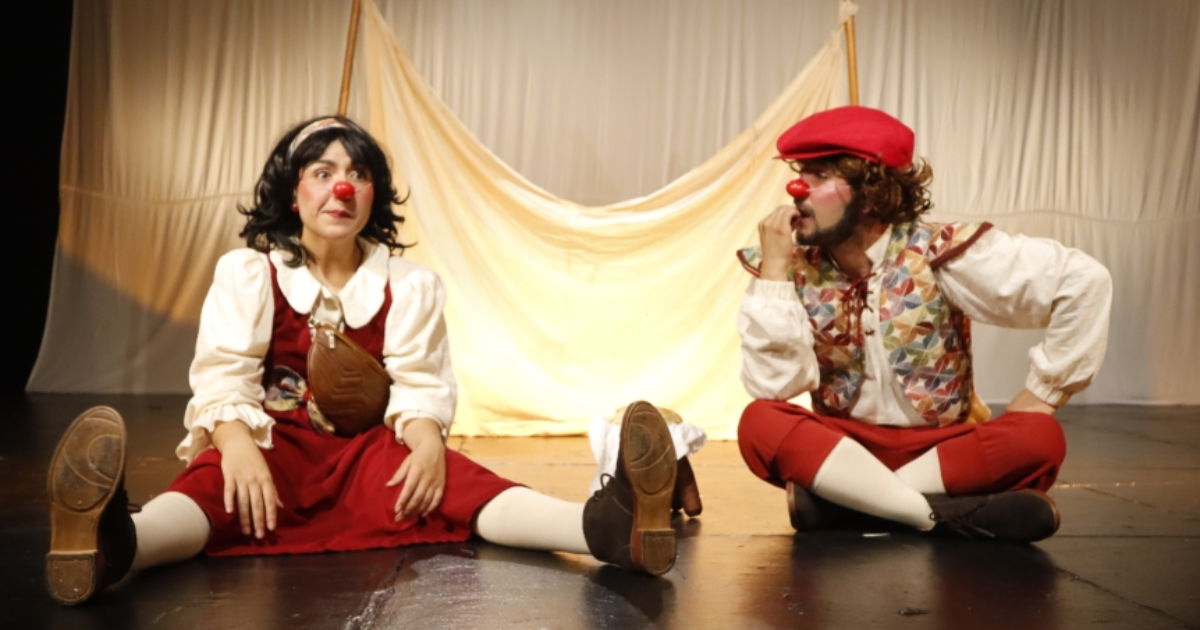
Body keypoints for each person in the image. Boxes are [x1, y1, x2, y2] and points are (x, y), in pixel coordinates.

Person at [45, 116, 679, 606]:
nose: (340, 187)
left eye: (356, 174)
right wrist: (235, 444)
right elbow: (223, 376)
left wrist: (426, 443)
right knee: (213, 489)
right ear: (294, 194)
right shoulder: (250, 274)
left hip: (366, 455)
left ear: (373, 194)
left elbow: (419, 383)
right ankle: (113, 544)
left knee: (460, 483)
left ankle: (606, 528)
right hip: (273, 449)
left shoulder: (408, 285)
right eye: (321, 172)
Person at [735, 105, 1112, 541]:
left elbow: (1084, 280)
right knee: (760, 422)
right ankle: (935, 515)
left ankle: (854, 505)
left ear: (871, 194)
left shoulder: (938, 252)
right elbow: (774, 389)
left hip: (941, 451)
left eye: (820, 176)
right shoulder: (790, 266)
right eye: (803, 173)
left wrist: (1046, 390)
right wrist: (775, 272)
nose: (797, 188)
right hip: (843, 449)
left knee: (1040, 438)